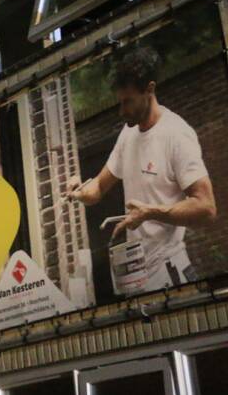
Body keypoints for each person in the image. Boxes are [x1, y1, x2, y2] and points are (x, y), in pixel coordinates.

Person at [65, 46, 217, 291]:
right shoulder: (128, 135)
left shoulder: (176, 134)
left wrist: (151, 212)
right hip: (137, 274)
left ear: (150, 89)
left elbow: (206, 207)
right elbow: (99, 187)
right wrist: (78, 191)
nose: (121, 111)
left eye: (128, 102)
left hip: (169, 269)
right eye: (120, 102)